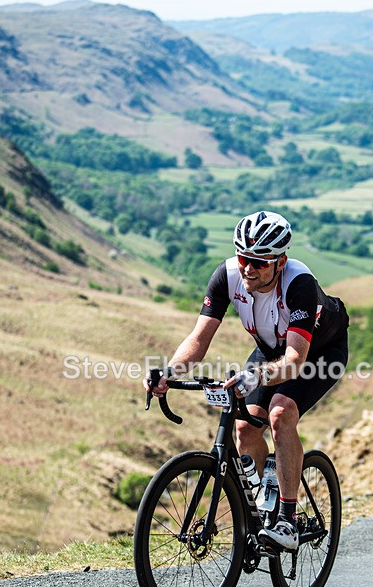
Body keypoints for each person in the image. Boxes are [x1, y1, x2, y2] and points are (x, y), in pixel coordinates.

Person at [145, 211, 349, 551]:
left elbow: (296, 361)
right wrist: (169, 373)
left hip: (319, 352)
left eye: (259, 262)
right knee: (244, 428)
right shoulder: (227, 276)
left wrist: (257, 374)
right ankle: (260, 511)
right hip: (272, 351)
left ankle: (287, 519)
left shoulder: (299, 284)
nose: (248, 269)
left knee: (281, 414)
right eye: (244, 258)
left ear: (280, 262)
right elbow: (198, 339)